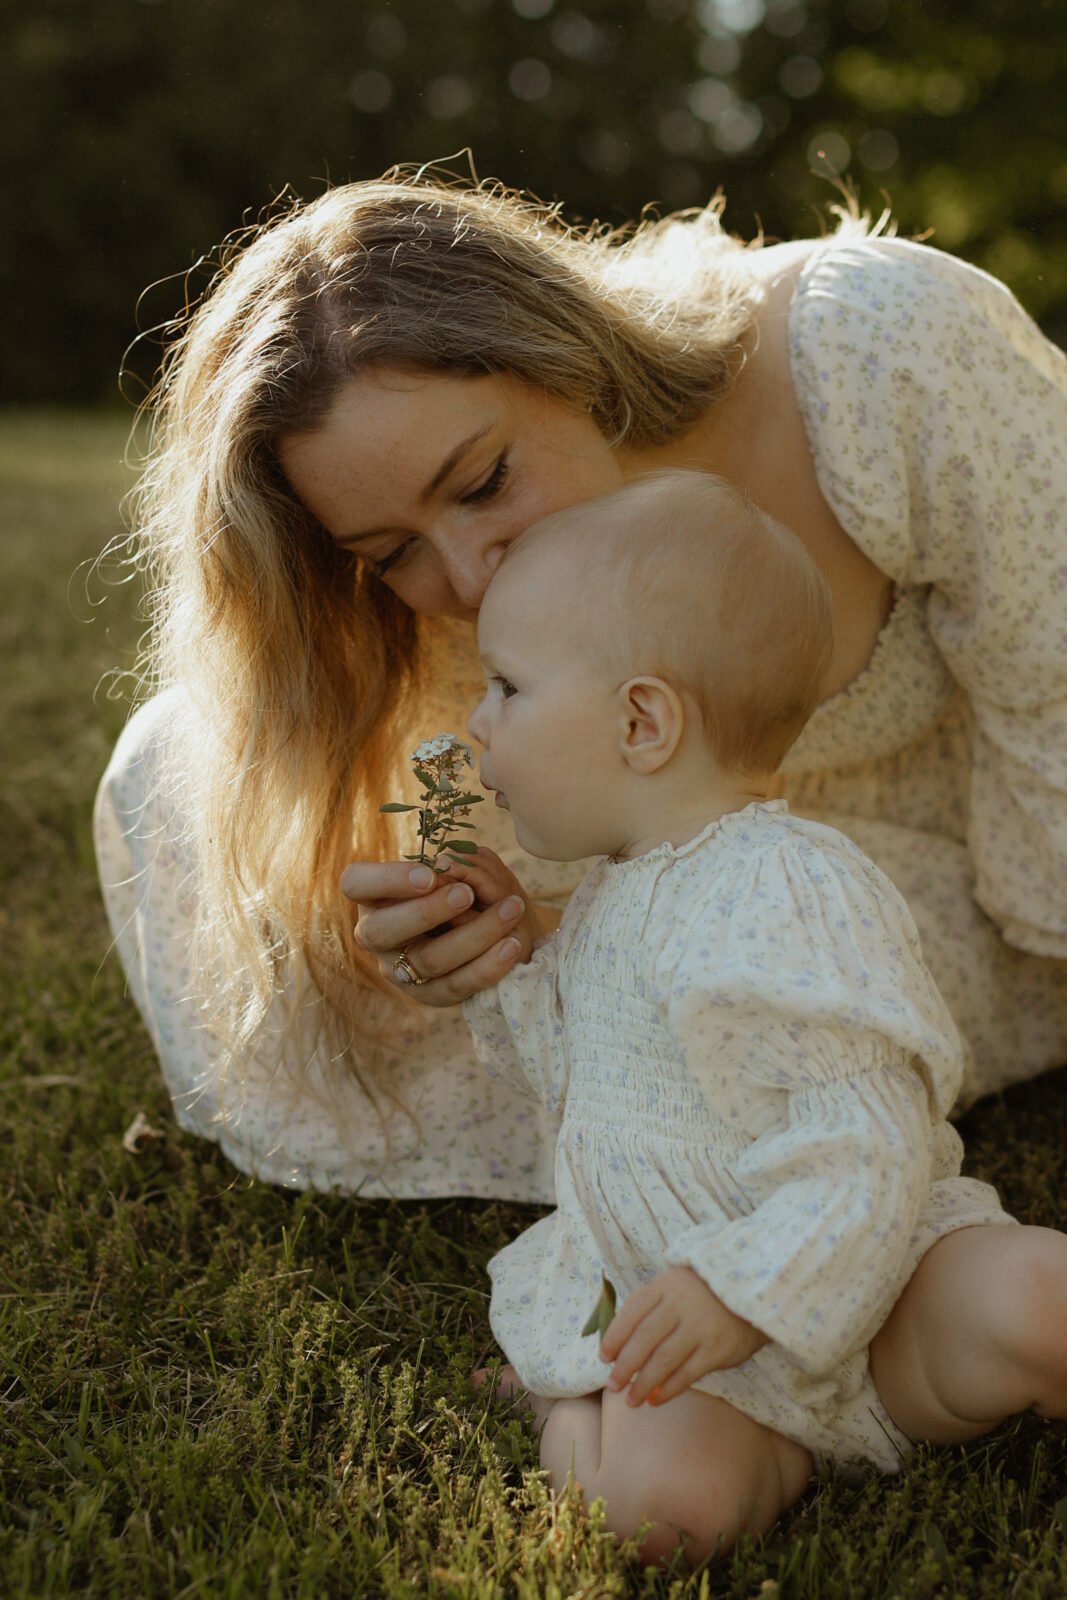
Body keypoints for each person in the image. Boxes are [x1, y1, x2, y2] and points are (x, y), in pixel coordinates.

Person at [94, 170, 1067, 1197]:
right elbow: (532, 858)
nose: (470, 577)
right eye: (391, 551)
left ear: (565, 353)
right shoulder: (445, 603)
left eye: (481, 483)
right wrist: (467, 935)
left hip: (991, 874)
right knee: (177, 773)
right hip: (728, 911)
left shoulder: (870, 352)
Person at [450, 470, 1067, 1565]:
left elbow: (866, 1139)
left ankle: (581, 1380)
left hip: (876, 1290)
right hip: (688, 1332)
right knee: (661, 1517)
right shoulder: (611, 889)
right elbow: (580, 1083)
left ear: (641, 719)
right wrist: (512, 961)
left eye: (504, 687)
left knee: (1033, 1294)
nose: (474, 720)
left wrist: (747, 1287)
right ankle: (571, 1394)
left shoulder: (780, 888)